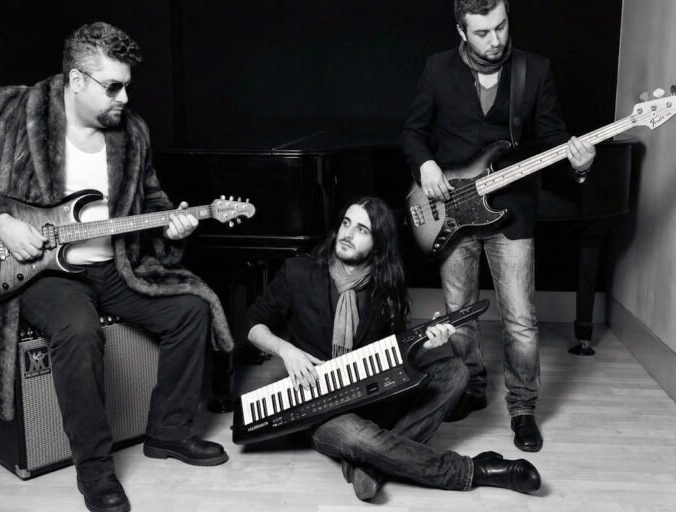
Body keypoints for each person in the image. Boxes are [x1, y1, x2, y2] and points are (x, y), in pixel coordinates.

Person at [0, 22, 234, 512]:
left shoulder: (132, 132)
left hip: (115, 267)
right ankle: (95, 470)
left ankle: (169, 432)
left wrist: (172, 227)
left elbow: (151, 200)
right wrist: (3, 223)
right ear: (76, 80)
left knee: (191, 311)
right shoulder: (14, 110)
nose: (124, 97)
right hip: (41, 273)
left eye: (127, 85)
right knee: (78, 327)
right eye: (113, 86)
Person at [245, 197, 541, 501]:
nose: (348, 234)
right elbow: (252, 324)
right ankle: (474, 470)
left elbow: (394, 361)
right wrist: (286, 350)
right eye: (346, 223)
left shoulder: (386, 287)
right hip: (320, 408)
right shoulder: (298, 271)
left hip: (371, 397)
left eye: (362, 230)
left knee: (455, 372)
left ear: (378, 244)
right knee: (356, 437)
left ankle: (373, 466)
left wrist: (425, 345)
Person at [401, 0, 596, 452]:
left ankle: (523, 407)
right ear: (461, 31)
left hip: (512, 211)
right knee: (459, 314)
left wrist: (580, 164)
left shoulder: (534, 70)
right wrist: (426, 164)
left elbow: (553, 138)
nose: (496, 40)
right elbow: (413, 133)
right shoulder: (437, 68)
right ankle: (470, 388)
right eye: (483, 32)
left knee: (521, 320)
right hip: (450, 210)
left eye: (501, 27)